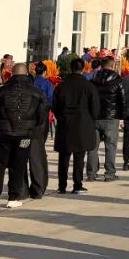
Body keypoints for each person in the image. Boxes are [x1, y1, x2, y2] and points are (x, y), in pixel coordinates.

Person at [0, 64, 47, 208]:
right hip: (25, 134)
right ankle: (13, 198)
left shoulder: (0, 91)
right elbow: (42, 115)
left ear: (12, 74)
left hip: (3, 133)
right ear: (27, 74)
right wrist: (32, 125)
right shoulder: (36, 92)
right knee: (18, 166)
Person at [53, 59, 99, 194]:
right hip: (82, 124)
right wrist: (91, 119)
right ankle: (77, 184)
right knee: (79, 156)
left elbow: (55, 105)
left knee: (64, 156)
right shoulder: (88, 86)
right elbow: (95, 107)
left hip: (65, 123)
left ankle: (62, 185)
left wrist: (60, 117)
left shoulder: (61, 86)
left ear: (70, 68)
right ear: (83, 69)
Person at [89, 57, 125, 182]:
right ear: (112, 65)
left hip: (95, 116)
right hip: (111, 117)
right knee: (110, 146)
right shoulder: (117, 80)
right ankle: (109, 174)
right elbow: (122, 99)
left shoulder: (93, 80)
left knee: (93, 147)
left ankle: (91, 173)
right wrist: (122, 116)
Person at [28, 62, 53, 198]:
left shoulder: (30, 82)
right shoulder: (47, 83)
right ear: (45, 72)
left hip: (29, 116)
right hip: (43, 115)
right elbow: (50, 99)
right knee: (40, 139)